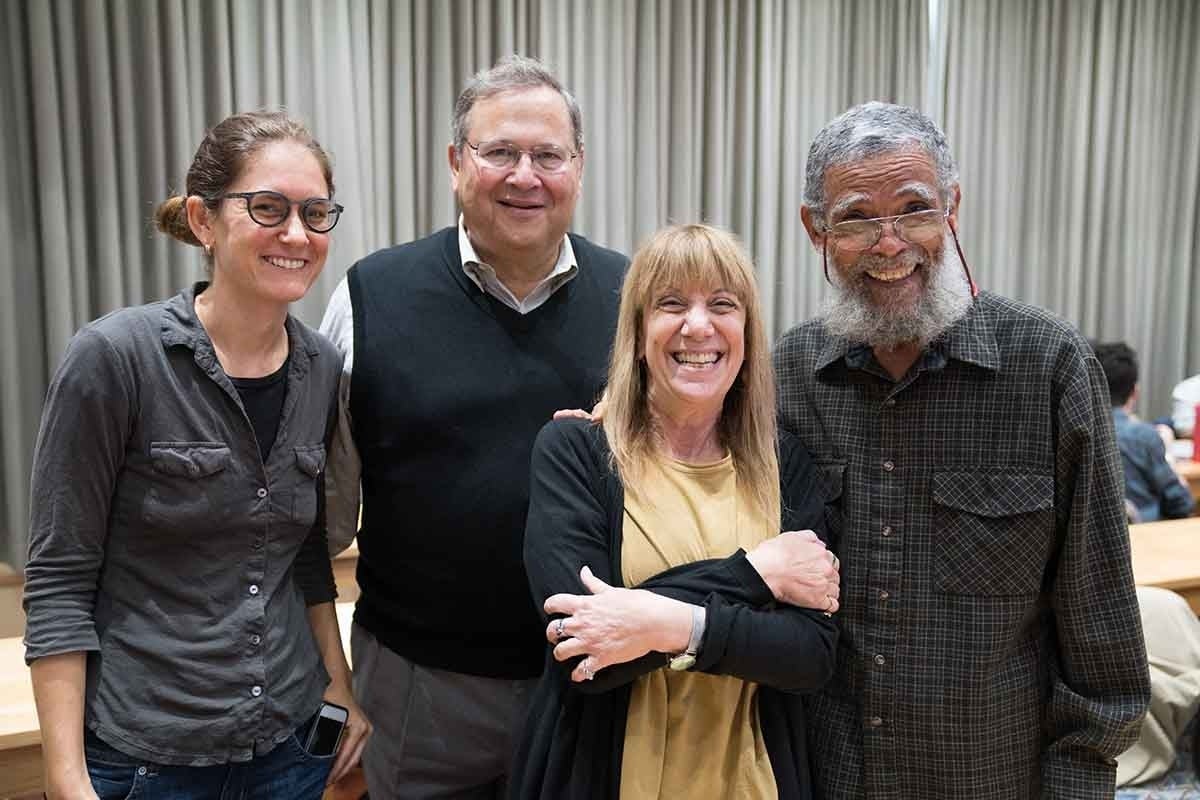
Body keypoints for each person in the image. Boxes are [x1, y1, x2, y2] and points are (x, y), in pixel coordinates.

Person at [774, 101, 1150, 798]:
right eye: (856, 217)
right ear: (816, 230)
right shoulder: (788, 375)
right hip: (828, 776)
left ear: (952, 206)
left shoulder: (1049, 366)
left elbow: (1101, 626)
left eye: (914, 208)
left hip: (991, 778)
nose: (889, 244)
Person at [23, 111, 370, 799]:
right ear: (204, 220)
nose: (296, 235)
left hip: (291, 744)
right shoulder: (115, 358)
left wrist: (341, 689)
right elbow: (60, 578)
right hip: (149, 759)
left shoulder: (321, 367)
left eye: (315, 212)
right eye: (267, 208)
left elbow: (299, 553)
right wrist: (67, 781)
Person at [319, 55, 627, 797]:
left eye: (548, 155)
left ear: (578, 168)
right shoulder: (369, 296)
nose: (526, 175)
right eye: (500, 153)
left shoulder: (637, 299)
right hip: (419, 689)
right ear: (458, 163)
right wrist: (328, 679)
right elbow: (318, 520)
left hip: (590, 681)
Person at [511, 223, 840, 800]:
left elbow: (810, 656)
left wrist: (667, 624)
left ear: (746, 331)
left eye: (721, 304)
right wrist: (755, 576)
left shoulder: (786, 463)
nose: (697, 325)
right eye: (670, 304)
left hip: (752, 782)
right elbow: (584, 656)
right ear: (638, 334)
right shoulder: (576, 454)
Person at [1095, 341, 1194, 522]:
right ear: (1135, 391)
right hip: (1144, 536)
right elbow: (1180, 503)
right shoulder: (1144, 436)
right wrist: (1169, 459)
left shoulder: (1071, 431)